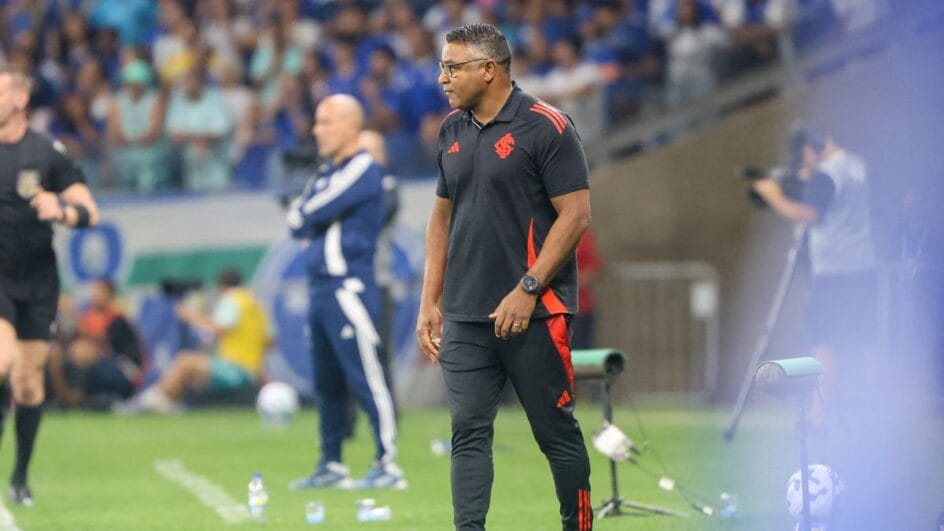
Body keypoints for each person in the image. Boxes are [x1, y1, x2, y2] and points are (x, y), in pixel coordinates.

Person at [416, 24, 594, 531]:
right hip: (467, 317)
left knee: (555, 433)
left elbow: (576, 216)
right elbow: (441, 218)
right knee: (468, 432)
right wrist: (429, 302)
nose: (442, 77)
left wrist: (529, 288)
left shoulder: (547, 126)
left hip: (537, 313)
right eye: (443, 66)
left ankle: (578, 525)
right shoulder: (451, 130)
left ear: (488, 70)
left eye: (453, 67)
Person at [287, 95, 405, 491]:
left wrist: (307, 215)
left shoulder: (362, 169)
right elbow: (296, 218)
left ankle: (387, 462)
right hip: (320, 289)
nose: (316, 130)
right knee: (327, 382)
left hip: (348, 288)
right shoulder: (324, 172)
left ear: (351, 126)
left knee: (367, 376)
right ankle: (332, 463)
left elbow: (310, 212)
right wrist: (306, 214)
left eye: (325, 122)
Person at [0, 64, 101, 506]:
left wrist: (58, 207)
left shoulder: (47, 153)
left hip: (37, 278)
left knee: (27, 382)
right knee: (1, 359)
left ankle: (19, 477)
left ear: (19, 99)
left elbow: (89, 212)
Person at [751, 129, 876, 427]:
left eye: (804, 155)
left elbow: (809, 215)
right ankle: (874, 416)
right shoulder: (856, 165)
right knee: (867, 344)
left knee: (823, 345)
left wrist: (773, 196)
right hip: (862, 267)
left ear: (813, 147)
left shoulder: (827, 174)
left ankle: (817, 418)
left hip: (832, 273)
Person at [114, 268, 269, 414]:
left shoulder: (233, 300)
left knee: (185, 361)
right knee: (192, 369)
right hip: (251, 370)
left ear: (222, 286)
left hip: (235, 369)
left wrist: (190, 315)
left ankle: (146, 402)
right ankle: (167, 402)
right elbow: (270, 341)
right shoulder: (256, 305)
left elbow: (218, 328)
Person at [47, 279, 144, 409]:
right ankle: (64, 399)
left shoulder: (118, 318)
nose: (95, 295)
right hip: (97, 367)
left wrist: (74, 316)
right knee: (56, 355)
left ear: (110, 295)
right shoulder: (88, 316)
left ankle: (75, 398)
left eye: (99, 291)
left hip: (123, 369)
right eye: (94, 291)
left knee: (82, 351)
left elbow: (101, 341)